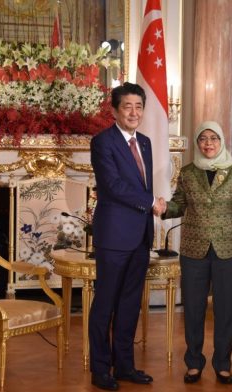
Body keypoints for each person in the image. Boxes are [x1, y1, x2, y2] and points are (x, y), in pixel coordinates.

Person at [159, 120, 232, 385]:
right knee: (193, 309)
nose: (208, 143)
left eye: (213, 138)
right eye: (203, 139)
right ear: (198, 143)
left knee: (224, 310)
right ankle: (194, 363)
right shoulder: (188, 172)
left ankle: (222, 364)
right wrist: (164, 208)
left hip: (228, 251)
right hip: (193, 250)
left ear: (221, 142)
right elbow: (179, 204)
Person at [89, 82, 165, 391]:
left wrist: (152, 205)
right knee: (105, 304)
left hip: (139, 236)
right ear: (115, 110)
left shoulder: (144, 142)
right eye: (127, 107)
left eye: (138, 107)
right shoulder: (102, 142)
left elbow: (140, 185)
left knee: (130, 304)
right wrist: (151, 203)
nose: (134, 112)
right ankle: (100, 369)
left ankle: (125, 366)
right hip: (113, 236)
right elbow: (111, 185)